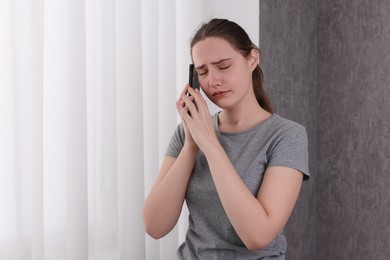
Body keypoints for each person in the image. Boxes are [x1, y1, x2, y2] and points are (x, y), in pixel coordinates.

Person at [142, 18, 310, 260]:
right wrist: (191, 145)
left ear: (252, 59)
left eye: (223, 66)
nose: (213, 81)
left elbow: (258, 236)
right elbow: (155, 226)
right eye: (203, 72)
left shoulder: (286, 136)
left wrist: (210, 145)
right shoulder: (188, 133)